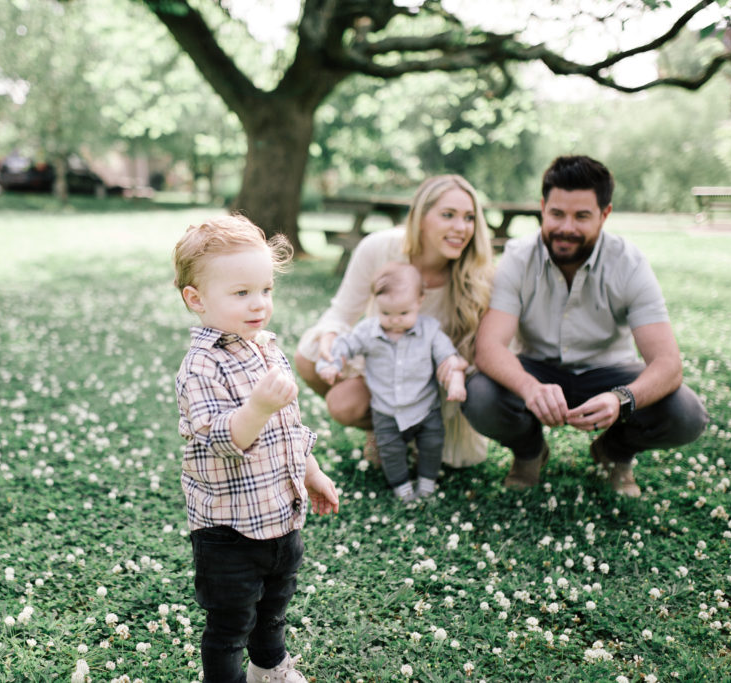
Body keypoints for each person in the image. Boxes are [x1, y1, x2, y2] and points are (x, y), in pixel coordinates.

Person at [460, 155, 709, 497]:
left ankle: (613, 452)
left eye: (582, 216)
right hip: (537, 368)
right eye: (557, 214)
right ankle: (529, 452)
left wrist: (622, 399)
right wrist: (530, 388)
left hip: (610, 372)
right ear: (543, 207)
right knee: (479, 395)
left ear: (605, 214)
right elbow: (488, 347)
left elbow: (668, 363)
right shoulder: (518, 257)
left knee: (686, 413)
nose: (567, 228)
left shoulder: (629, 263)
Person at [172, 214, 340, 683]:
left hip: (280, 516)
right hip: (228, 531)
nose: (259, 303)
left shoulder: (267, 347)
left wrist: (313, 472)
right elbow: (222, 439)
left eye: (265, 290)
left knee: (273, 609)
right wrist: (259, 406)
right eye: (241, 293)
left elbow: (290, 427)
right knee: (230, 624)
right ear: (196, 299)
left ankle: (270, 669)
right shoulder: (200, 367)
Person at [295, 174, 494, 469]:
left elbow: (483, 350)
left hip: (434, 383)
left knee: (454, 461)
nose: (460, 228)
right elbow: (341, 312)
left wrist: (457, 367)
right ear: (420, 218)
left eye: (468, 218)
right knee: (311, 360)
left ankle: (412, 432)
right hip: (384, 364)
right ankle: (382, 428)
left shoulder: (477, 275)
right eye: (448, 215)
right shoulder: (380, 249)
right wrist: (331, 335)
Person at [315, 262, 468, 503]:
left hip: (425, 408)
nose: (395, 321)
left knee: (432, 444)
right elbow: (345, 345)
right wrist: (331, 364)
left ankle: (427, 483)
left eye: (403, 314)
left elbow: (449, 358)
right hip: (386, 410)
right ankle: (402, 487)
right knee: (391, 451)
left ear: (420, 300)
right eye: (386, 314)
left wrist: (456, 383)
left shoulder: (430, 331)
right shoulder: (368, 331)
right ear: (376, 305)